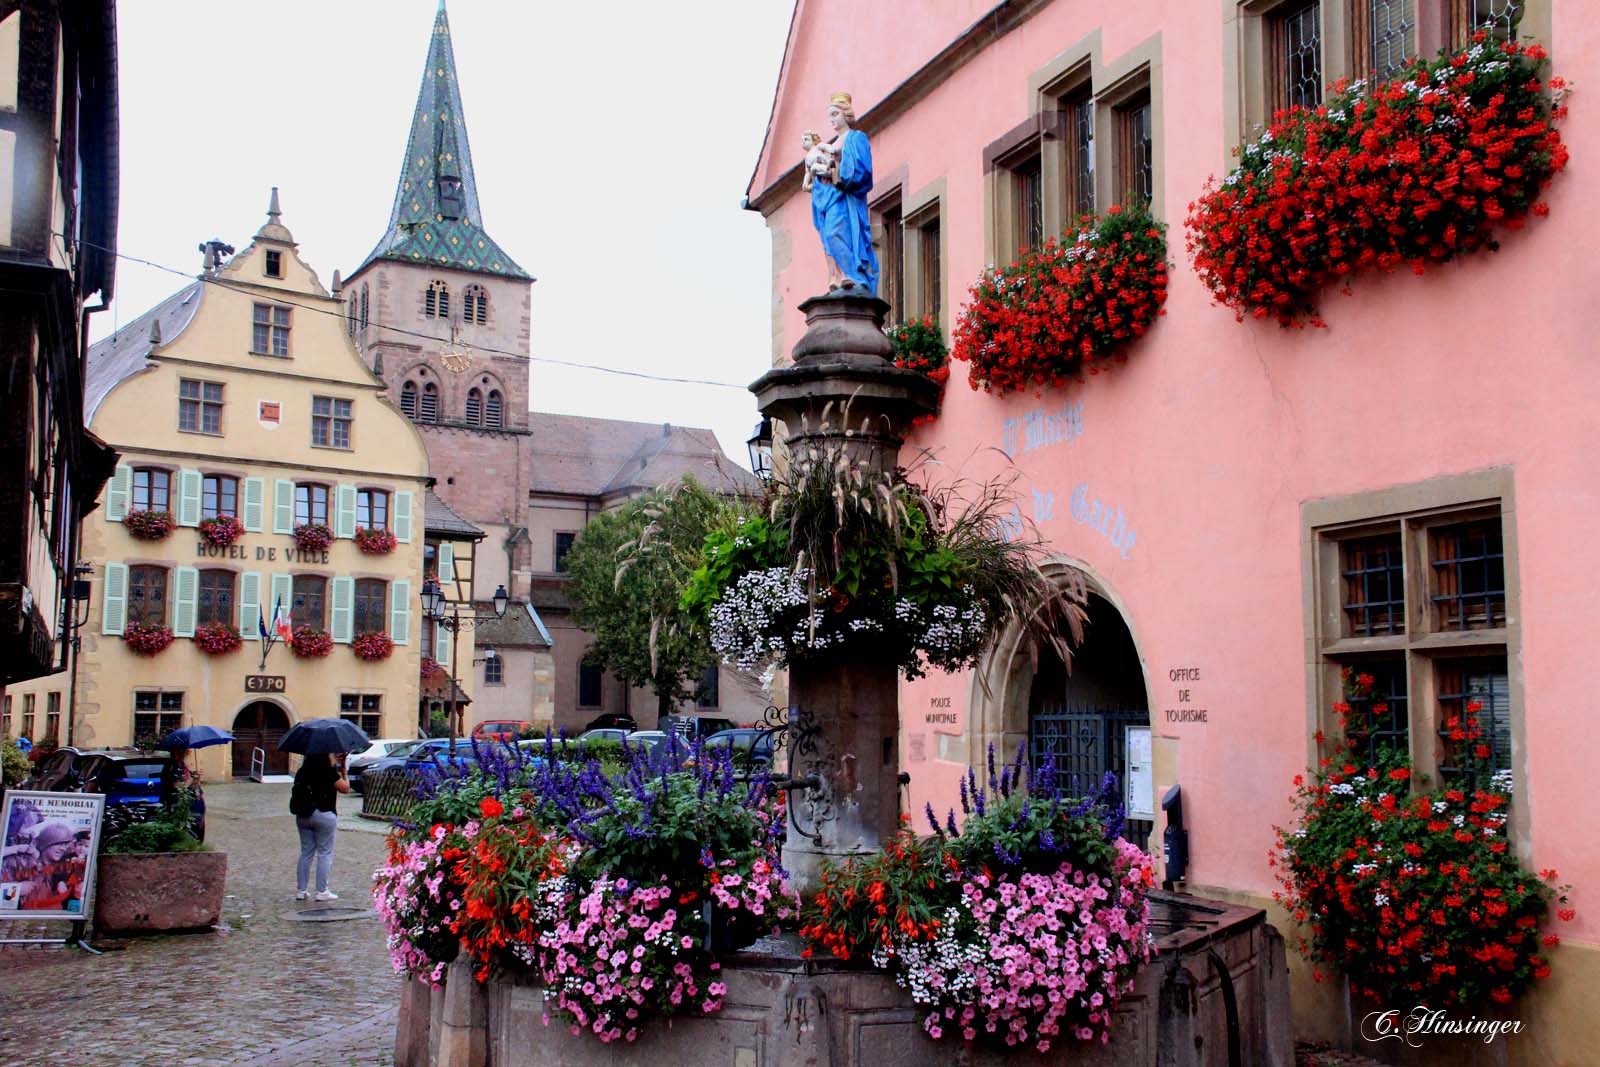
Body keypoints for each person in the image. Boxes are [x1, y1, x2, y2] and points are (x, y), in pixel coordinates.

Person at [808, 91, 878, 294]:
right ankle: (841, 276)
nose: (831, 119)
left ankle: (855, 276)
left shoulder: (856, 138)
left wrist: (837, 174)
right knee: (830, 236)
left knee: (836, 233)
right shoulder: (829, 146)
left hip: (847, 201)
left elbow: (862, 170)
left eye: (835, 114)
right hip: (831, 200)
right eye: (829, 115)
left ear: (846, 114)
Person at [290, 753, 349, 902]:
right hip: (324, 814)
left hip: (303, 814)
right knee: (324, 853)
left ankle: (301, 891)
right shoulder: (328, 771)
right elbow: (345, 788)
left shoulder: (301, 771)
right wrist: (344, 772)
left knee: (306, 852)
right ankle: (322, 891)